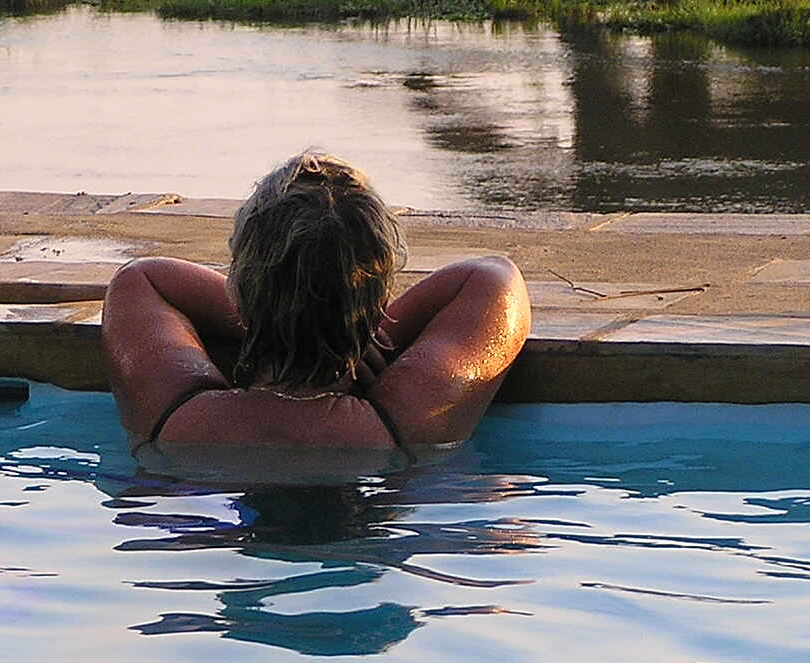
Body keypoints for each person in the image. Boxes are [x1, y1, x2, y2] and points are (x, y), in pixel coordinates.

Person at [103, 151, 531, 459]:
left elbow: (142, 278)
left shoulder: (174, 417)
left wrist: (278, 317)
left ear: (241, 292)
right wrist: (354, 327)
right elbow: (493, 278)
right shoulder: (402, 426)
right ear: (377, 299)